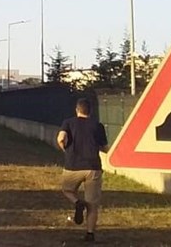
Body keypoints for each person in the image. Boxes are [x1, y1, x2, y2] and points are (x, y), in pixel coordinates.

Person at [57, 98, 109, 243]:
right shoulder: (98, 126)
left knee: (67, 190)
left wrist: (66, 150)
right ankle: (90, 233)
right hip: (93, 167)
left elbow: (61, 138)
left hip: (72, 166)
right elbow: (104, 148)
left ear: (77, 110)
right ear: (90, 111)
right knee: (92, 203)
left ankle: (76, 203)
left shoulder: (68, 123)